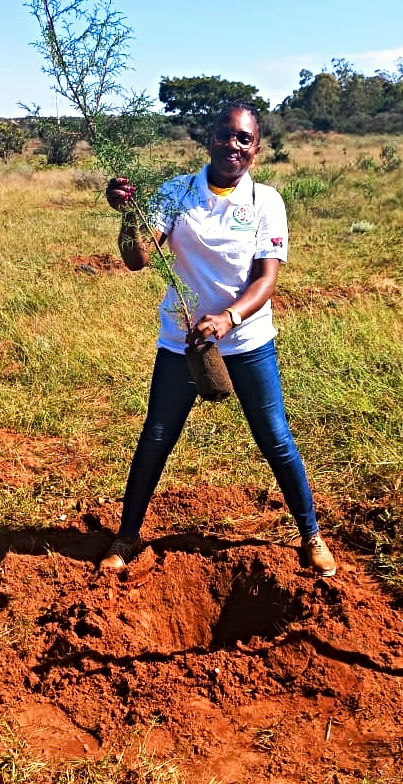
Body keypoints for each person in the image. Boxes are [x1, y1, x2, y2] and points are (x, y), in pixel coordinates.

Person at [102, 100, 336, 577]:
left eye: (244, 139)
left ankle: (311, 534)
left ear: (256, 149)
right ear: (209, 138)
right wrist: (128, 214)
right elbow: (138, 258)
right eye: (225, 134)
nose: (233, 144)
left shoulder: (265, 201)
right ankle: (127, 535)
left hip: (247, 340)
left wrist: (228, 318)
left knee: (275, 439)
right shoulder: (176, 192)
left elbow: (266, 281)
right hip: (182, 341)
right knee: (156, 437)